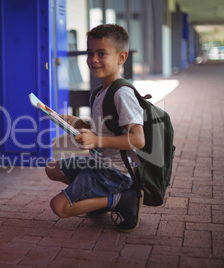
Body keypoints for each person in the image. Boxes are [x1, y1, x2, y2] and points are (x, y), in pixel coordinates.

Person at [45, 24, 145, 232]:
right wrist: (75, 123)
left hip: (116, 172)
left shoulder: (122, 94)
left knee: (59, 207)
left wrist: (96, 141)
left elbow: (137, 139)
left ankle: (122, 199)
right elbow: (105, 128)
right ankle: (98, 196)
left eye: (102, 53)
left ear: (121, 57)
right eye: (90, 53)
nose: (94, 59)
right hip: (98, 163)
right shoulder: (101, 91)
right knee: (51, 168)